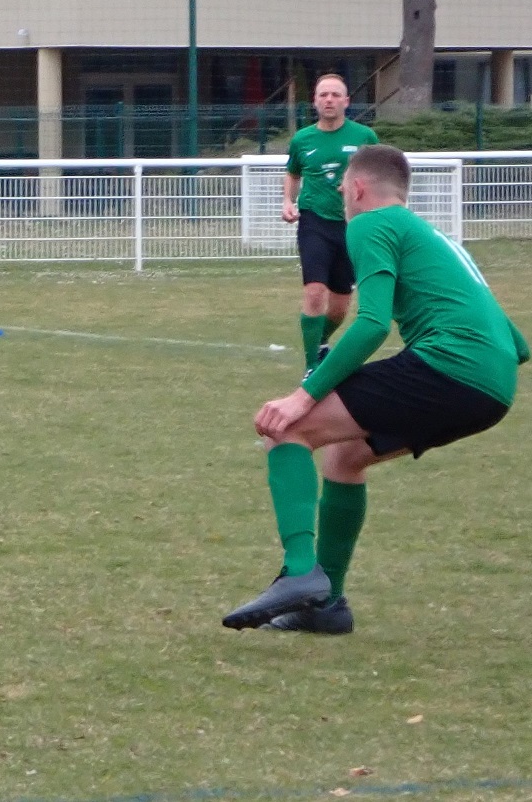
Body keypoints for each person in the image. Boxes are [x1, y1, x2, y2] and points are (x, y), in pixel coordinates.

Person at [224, 144, 527, 633]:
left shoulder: (370, 223)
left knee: (286, 428)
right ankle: (326, 608)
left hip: (451, 368)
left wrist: (304, 396)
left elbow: (371, 323)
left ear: (358, 188)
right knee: (344, 457)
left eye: (343, 187)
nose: (342, 196)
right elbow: (517, 343)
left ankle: (300, 573)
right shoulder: (437, 237)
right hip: (493, 390)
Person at [282, 73, 379, 376]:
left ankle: (320, 340)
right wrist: (287, 201)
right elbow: (293, 173)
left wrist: (357, 188)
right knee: (314, 292)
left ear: (346, 101)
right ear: (314, 101)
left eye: (336, 95)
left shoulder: (365, 137)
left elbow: (378, 175)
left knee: (340, 306)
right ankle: (312, 367)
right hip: (314, 220)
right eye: (323, 94)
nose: (329, 100)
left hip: (351, 225)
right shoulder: (302, 139)